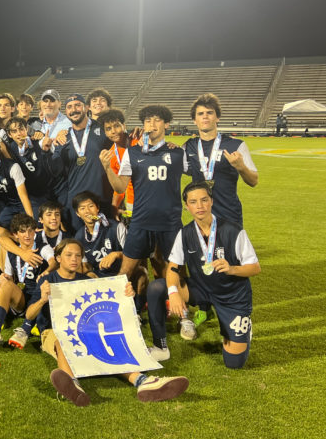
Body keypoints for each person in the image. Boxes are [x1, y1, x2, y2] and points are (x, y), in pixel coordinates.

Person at [27, 239, 189, 406]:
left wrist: (126, 295)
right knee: (63, 342)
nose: (74, 259)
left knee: (110, 342)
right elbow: (29, 315)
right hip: (54, 332)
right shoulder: (47, 281)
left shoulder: (86, 281)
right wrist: (42, 300)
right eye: (68, 255)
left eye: (78, 255)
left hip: (84, 330)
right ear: (58, 258)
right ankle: (72, 383)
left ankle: (142, 380)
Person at [146, 181, 260, 368]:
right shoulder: (185, 233)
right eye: (193, 202)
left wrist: (232, 269)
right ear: (187, 206)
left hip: (232, 296)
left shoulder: (233, 230)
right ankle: (161, 347)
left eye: (204, 200)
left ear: (211, 202)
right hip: (201, 289)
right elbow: (173, 268)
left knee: (234, 363)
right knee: (157, 287)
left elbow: (255, 267)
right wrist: (173, 292)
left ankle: (240, 329)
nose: (199, 206)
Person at [99, 105, 185, 312]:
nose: (152, 125)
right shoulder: (132, 152)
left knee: (168, 267)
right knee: (127, 268)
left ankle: (178, 310)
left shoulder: (177, 153)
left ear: (166, 124)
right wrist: (107, 168)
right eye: (148, 121)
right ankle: (114, 310)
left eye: (156, 120)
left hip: (168, 221)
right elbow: (119, 186)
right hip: (140, 217)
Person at [0, 214, 56, 349]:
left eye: (30, 230)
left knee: (42, 284)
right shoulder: (13, 252)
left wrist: (47, 271)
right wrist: (5, 278)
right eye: (22, 231)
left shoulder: (43, 248)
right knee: (2, 284)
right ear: (15, 234)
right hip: (22, 297)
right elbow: (9, 275)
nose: (27, 234)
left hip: (40, 296)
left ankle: (24, 330)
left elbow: (53, 262)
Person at [183, 93, 258, 228]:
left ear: (217, 117)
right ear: (194, 120)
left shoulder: (236, 145)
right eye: (200, 114)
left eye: (209, 113)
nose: (205, 116)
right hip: (202, 216)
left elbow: (253, 181)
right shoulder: (188, 146)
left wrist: (241, 167)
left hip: (229, 214)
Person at [49, 94, 112, 232]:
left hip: (101, 199)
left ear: (86, 107)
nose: (74, 110)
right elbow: (55, 170)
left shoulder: (102, 129)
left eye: (78, 105)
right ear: (66, 112)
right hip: (76, 202)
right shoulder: (63, 137)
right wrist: (47, 150)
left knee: (105, 241)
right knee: (79, 242)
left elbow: (122, 143)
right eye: (69, 107)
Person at [5, 116, 54, 213]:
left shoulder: (39, 142)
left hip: (50, 190)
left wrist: (46, 151)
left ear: (26, 129)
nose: (19, 133)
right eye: (14, 131)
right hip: (32, 195)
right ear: (9, 134)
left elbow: (51, 166)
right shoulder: (12, 148)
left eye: (21, 129)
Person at [98, 108, 137, 219]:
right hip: (132, 202)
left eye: (117, 126)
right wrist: (114, 207)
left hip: (152, 198)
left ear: (124, 125)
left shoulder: (138, 140)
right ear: (105, 132)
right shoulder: (111, 155)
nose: (113, 131)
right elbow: (118, 187)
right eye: (108, 129)